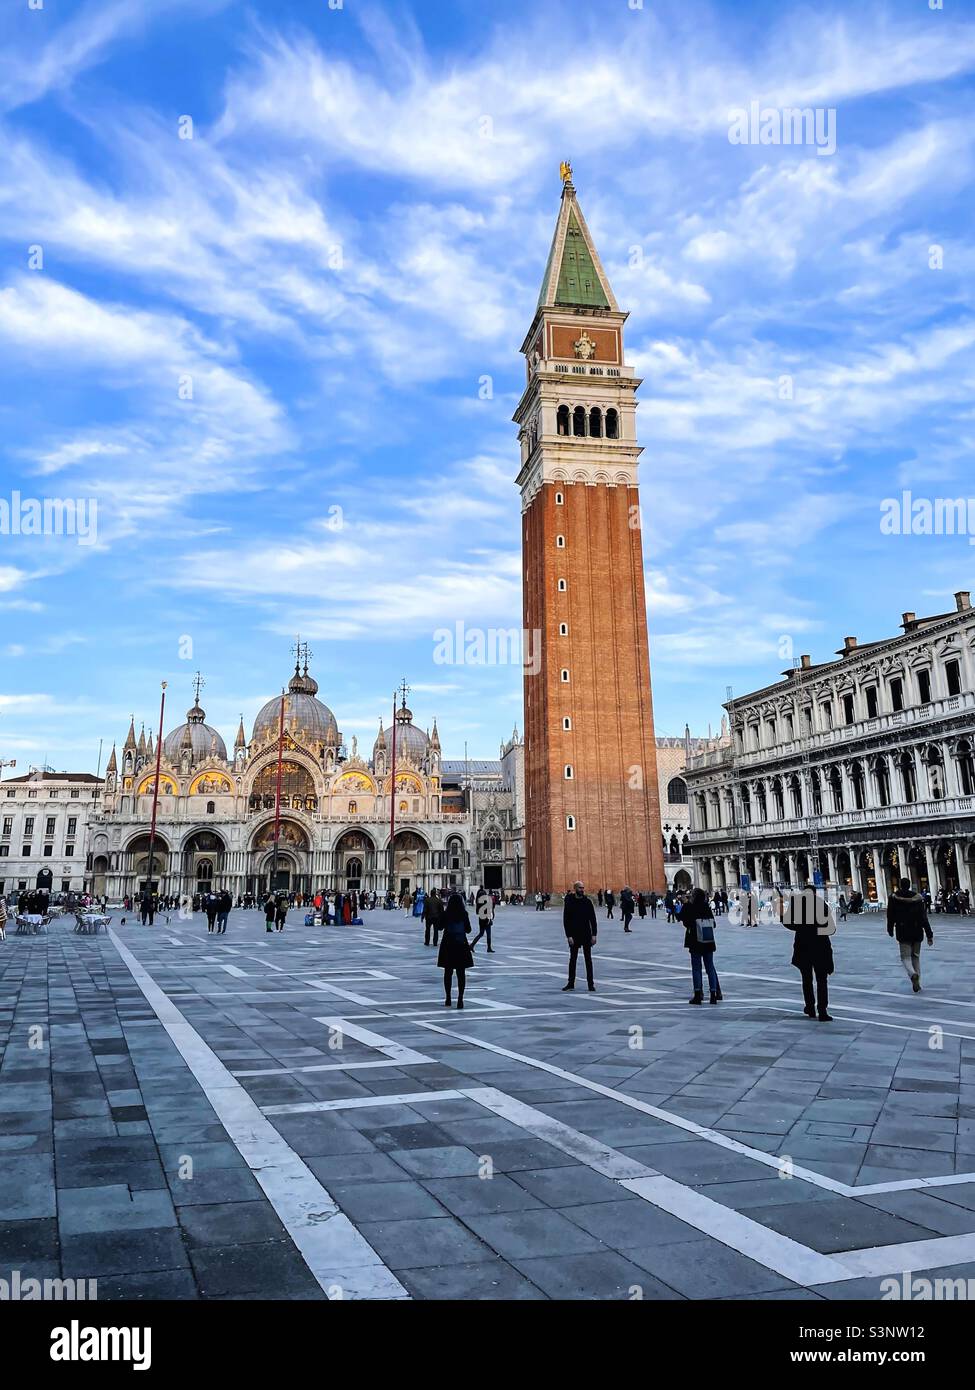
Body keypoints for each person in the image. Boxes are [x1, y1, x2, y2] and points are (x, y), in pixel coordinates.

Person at [781, 887, 834, 1021]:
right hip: (820, 946)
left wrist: (800, 927)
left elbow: (788, 923)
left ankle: (810, 1007)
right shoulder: (821, 904)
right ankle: (822, 1010)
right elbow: (830, 927)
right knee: (822, 980)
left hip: (803, 946)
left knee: (807, 979)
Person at [887, 877, 934, 993]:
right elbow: (924, 918)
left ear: (899, 885)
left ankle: (913, 974)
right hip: (917, 930)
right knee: (916, 957)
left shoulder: (894, 898)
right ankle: (918, 980)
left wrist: (890, 929)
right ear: (909, 885)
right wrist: (929, 934)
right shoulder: (917, 898)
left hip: (903, 931)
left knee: (905, 957)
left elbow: (890, 915)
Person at [681, 887, 721, 1004]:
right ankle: (713, 994)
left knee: (696, 968)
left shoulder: (689, 906)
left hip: (694, 941)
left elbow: (683, 920)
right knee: (710, 968)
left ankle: (698, 994)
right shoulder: (706, 907)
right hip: (708, 941)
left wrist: (685, 904)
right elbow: (713, 923)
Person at [438, 890, 473, 1008]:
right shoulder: (464, 914)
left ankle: (448, 998)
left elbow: (439, 927)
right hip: (461, 944)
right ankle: (460, 999)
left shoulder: (446, 913)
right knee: (461, 973)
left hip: (448, 944)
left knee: (448, 972)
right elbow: (468, 930)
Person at [562, 881, 597, 992]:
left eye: (583, 888)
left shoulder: (587, 902)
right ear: (575, 888)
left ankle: (590, 984)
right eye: (580, 888)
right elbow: (566, 920)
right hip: (574, 934)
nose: (582, 890)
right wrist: (569, 936)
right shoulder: (569, 901)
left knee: (588, 960)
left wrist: (594, 934)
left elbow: (593, 919)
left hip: (586, 934)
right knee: (573, 959)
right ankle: (570, 983)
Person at [472, 885, 495, 952]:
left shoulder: (479, 903)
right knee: (488, 934)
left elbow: (478, 912)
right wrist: (489, 919)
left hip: (481, 919)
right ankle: (489, 948)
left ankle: (472, 945)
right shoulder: (486, 902)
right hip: (486, 919)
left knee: (481, 933)